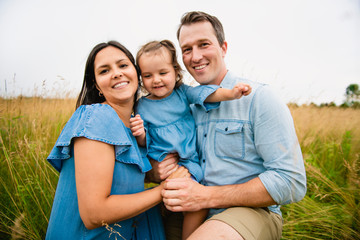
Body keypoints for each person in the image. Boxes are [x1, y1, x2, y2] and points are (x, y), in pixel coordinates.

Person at [156, 11, 307, 240]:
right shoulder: (184, 106)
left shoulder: (259, 98)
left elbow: (291, 181)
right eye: (187, 49)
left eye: (204, 44)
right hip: (191, 210)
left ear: (223, 47)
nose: (195, 56)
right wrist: (156, 171)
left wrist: (206, 197)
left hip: (251, 213)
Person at [45, 40, 189, 240]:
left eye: (123, 65)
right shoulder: (96, 117)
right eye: (104, 71)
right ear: (97, 85)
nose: (116, 73)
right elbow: (94, 214)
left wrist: (152, 173)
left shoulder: (136, 127)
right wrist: (164, 189)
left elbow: (118, 177)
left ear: (136, 74)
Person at [129, 39, 251, 239]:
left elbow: (204, 94)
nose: (156, 80)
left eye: (163, 73)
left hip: (188, 161)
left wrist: (230, 93)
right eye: (148, 75)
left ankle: (189, 236)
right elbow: (144, 142)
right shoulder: (142, 106)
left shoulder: (182, 93)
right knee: (168, 202)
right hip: (161, 162)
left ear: (175, 71)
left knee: (196, 204)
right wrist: (140, 134)